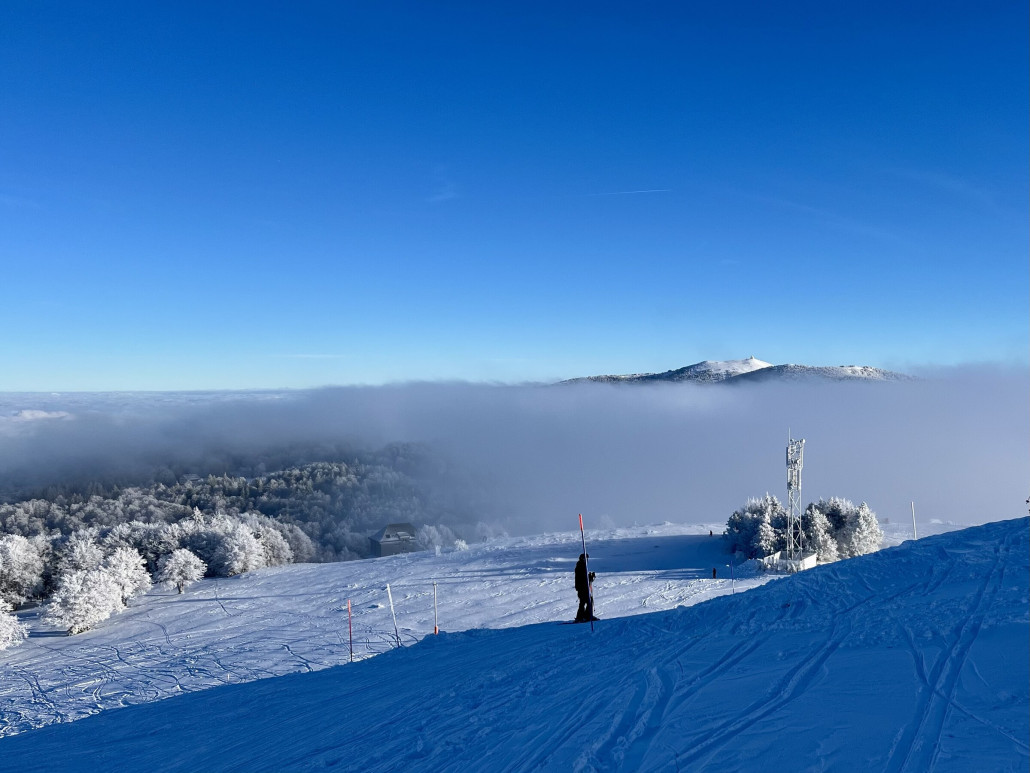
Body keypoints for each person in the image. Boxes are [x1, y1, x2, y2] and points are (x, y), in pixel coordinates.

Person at [574, 553, 596, 622]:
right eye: (585, 559)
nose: (586, 560)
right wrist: (590, 577)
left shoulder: (582, 566)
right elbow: (583, 578)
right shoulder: (581, 566)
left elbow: (584, 578)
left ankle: (585, 616)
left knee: (587, 601)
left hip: (584, 588)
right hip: (582, 588)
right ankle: (582, 617)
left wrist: (590, 577)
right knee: (585, 601)